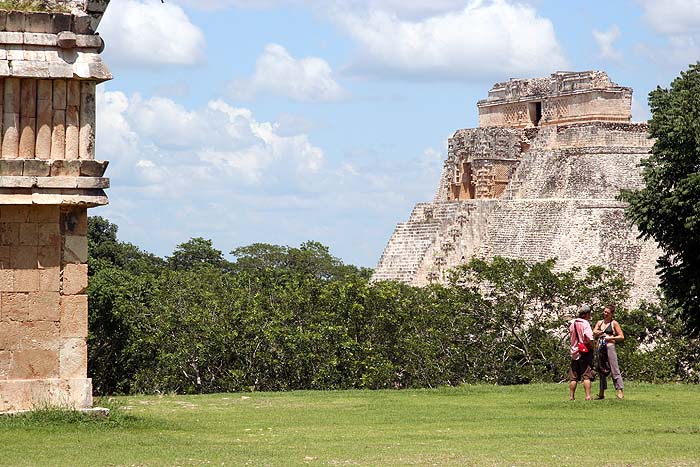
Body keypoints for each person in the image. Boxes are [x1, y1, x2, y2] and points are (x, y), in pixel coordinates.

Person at [593, 304, 625, 399]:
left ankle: (619, 391)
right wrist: (599, 332)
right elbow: (594, 332)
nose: (605, 313)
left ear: (612, 313)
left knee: (614, 368)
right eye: (604, 311)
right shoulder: (599, 323)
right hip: (600, 346)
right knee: (601, 368)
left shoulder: (614, 323)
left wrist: (611, 338)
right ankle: (601, 392)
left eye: (607, 312)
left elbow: (621, 336)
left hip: (610, 346)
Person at [569, 304, 594, 400]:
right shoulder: (585, 324)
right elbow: (589, 337)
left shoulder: (572, 323)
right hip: (584, 351)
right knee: (586, 375)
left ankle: (571, 396)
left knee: (573, 377)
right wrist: (593, 346)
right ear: (587, 314)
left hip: (574, 352)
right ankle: (588, 396)